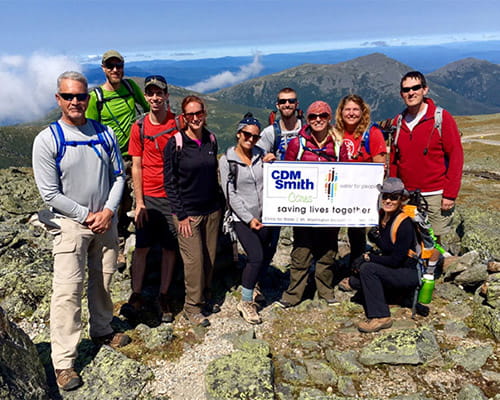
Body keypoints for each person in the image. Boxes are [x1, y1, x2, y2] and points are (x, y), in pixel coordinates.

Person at [32, 71, 130, 391]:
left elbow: (119, 176)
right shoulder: (48, 140)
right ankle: (63, 362)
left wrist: (109, 211)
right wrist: (88, 215)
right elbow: (49, 193)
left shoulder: (105, 133)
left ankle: (101, 329)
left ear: (88, 98)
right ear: (58, 99)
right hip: (71, 225)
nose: (76, 102)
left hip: (105, 219)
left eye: (81, 96)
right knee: (67, 292)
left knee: (103, 280)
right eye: (69, 96)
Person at [390, 71, 463, 272]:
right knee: (408, 233)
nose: (411, 92)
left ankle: (429, 272)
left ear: (425, 89)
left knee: (434, 236)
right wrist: (395, 190)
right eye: (406, 89)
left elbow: (456, 155)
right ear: (401, 93)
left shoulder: (440, 117)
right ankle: (413, 269)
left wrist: (450, 194)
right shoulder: (399, 121)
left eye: (415, 88)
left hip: (435, 192)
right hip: (407, 194)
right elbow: (395, 160)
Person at [276, 101, 342, 308]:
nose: (318, 120)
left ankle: (325, 291)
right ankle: (294, 293)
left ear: (329, 118)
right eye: (313, 116)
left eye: (322, 115)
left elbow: (348, 173)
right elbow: (286, 174)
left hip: (330, 208)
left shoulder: (339, 144)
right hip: (304, 209)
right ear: (307, 119)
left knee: (328, 251)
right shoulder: (297, 144)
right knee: (301, 252)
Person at [164, 95, 223, 327]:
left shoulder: (211, 139)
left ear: (204, 114)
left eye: (199, 113)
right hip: (188, 214)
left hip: (212, 210)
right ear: (184, 117)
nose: (196, 118)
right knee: (194, 261)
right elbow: (169, 182)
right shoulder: (176, 143)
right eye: (191, 115)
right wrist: (180, 214)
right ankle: (192, 307)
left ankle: (205, 296)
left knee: (209, 258)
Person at [124, 75, 178, 323]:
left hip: (171, 197)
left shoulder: (177, 124)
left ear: (166, 95)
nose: (155, 98)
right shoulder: (140, 127)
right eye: (151, 93)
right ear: (145, 97)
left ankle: (163, 295)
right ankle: (136, 294)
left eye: (160, 93)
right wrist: (139, 201)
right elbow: (137, 165)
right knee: (143, 247)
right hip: (149, 196)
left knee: (169, 247)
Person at [85, 50, 150, 244]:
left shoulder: (130, 87)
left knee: (139, 191)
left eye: (118, 66)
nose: (115, 70)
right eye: (110, 66)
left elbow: (148, 109)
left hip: (136, 153)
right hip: (111, 157)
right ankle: (117, 236)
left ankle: (135, 227)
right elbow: (91, 132)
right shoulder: (96, 97)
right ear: (103, 68)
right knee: (117, 197)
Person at [220, 114, 277, 324]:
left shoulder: (262, 155)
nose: (251, 139)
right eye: (247, 134)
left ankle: (254, 286)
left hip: (266, 215)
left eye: (255, 136)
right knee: (255, 256)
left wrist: (274, 163)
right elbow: (230, 194)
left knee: (266, 253)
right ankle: (245, 302)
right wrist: (248, 218)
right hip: (241, 218)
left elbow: (273, 180)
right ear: (238, 134)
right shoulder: (227, 160)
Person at [344, 178, 421, 333]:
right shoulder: (383, 217)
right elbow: (386, 247)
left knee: (368, 269)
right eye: (385, 196)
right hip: (396, 269)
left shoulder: (404, 223)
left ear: (401, 199)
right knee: (356, 281)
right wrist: (375, 238)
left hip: (408, 272)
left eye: (393, 197)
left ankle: (381, 316)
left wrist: (368, 257)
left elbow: (395, 260)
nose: (388, 200)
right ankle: (395, 297)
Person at [334, 94, 387, 265]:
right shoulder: (334, 132)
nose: (351, 113)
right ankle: (328, 265)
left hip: (361, 193)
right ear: (341, 112)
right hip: (337, 190)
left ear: (363, 112)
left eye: (355, 109)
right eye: (347, 109)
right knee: (331, 227)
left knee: (357, 231)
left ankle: (356, 267)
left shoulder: (372, 133)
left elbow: (380, 166)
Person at [257, 87, 304, 160]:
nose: (287, 104)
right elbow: (257, 158)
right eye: (283, 101)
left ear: (296, 104)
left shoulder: (307, 129)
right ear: (277, 105)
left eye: (291, 101)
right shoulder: (269, 133)